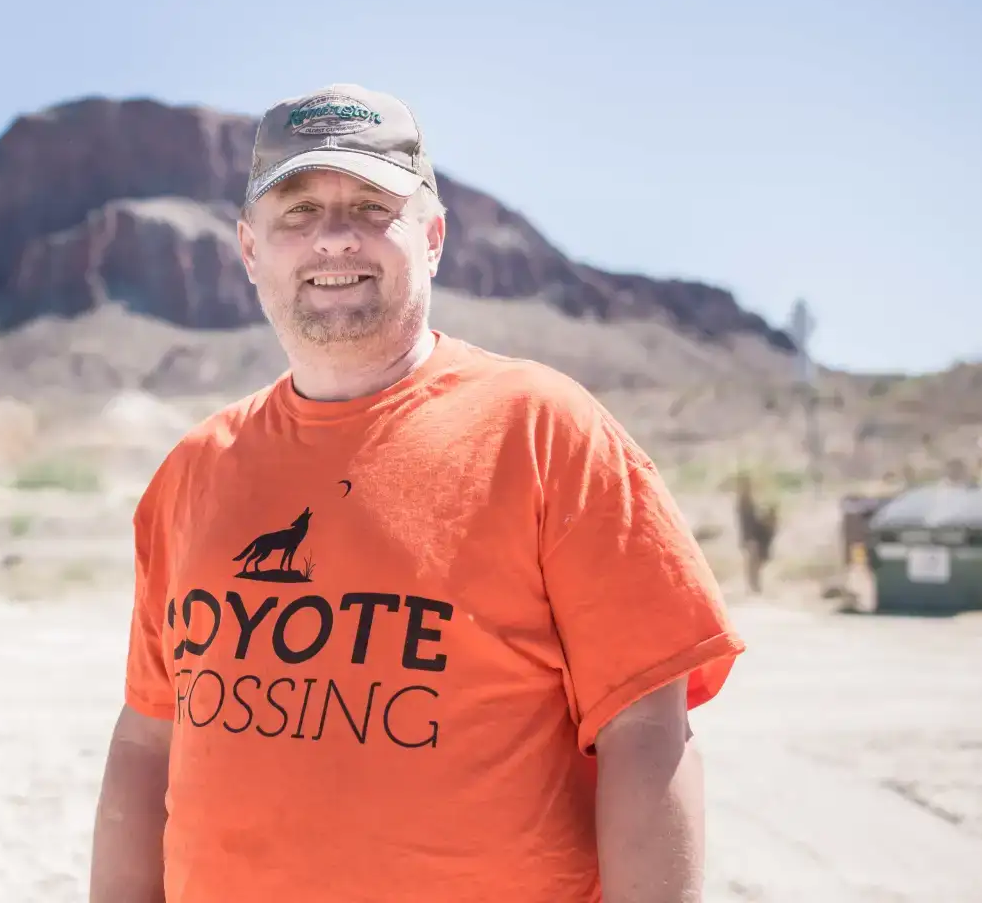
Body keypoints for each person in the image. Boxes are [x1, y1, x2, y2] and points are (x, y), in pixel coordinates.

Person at [88, 84, 745, 903]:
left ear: (431, 237)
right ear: (250, 250)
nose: (333, 237)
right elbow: (150, 737)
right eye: (297, 212)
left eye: (371, 207)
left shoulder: (544, 432)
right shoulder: (195, 469)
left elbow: (647, 730)